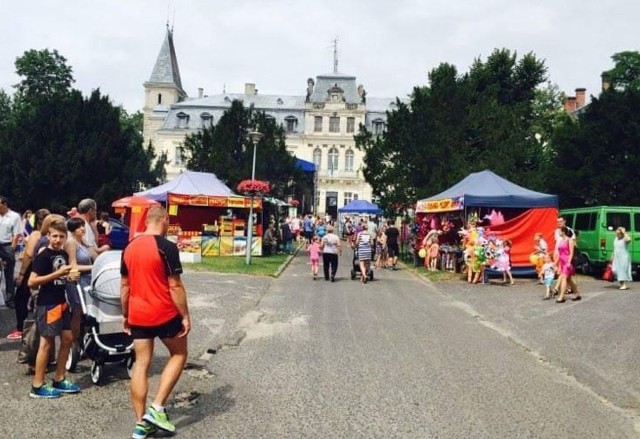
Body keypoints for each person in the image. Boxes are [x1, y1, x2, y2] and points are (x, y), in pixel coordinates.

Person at [120, 206, 190, 438]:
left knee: (141, 364)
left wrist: (125, 314)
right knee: (179, 354)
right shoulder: (166, 247)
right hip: (163, 312)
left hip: (137, 313)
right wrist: (185, 315)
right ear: (164, 220)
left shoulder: (128, 248)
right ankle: (157, 407)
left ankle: (140, 423)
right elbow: (175, 285)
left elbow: (124, 287)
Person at [28, 219, 81, 398]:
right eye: (54, 236)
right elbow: (32, 282)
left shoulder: (64, 255)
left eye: (61, 236)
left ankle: (59, 378)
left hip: (61, 302)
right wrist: (57, 274)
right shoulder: (43, 256)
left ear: (66, 238)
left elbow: (64, 277)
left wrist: (71, 277)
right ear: (48, 236)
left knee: (67, 338)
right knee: (46, 344)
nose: (57, 240)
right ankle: (37, 385)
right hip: (48, 304)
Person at [7, 208, 50, 340]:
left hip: (32, 269)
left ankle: (21, 328)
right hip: (46, 268)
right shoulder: (51, 235)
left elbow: (28, 255)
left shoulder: (35, 235)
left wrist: (21, 274)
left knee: (21, 298)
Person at [66, 217, 97, 343]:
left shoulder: (82, 241)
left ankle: (87, 340)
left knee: (89, 311)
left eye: (83, 226)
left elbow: (94, 255)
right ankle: (75, 343)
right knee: (78, 311)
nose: (82, 228)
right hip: (77, 281)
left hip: (89, 280)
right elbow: (73, 265)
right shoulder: (71, 242)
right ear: (73, 229)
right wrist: (93, 266)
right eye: (79, 227)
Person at [0, 196, 22, 308]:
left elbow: (16, 234)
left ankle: (10, 299)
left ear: (4, 204)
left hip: (7, 245)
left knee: (8, 274)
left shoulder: (14, 216)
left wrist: (12, 249)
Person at [555, 226, 581, 303]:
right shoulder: (560, 241)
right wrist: (558, 264)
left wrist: (569, 262)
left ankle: (562, 296)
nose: (558, 232)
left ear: (563, 232)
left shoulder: (569, 240)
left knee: (564, 278)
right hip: (562, 262)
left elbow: (571, 252)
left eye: (560, 231)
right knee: (569, 279)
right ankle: (577, 293)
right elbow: (560, 254)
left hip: (567, 261)